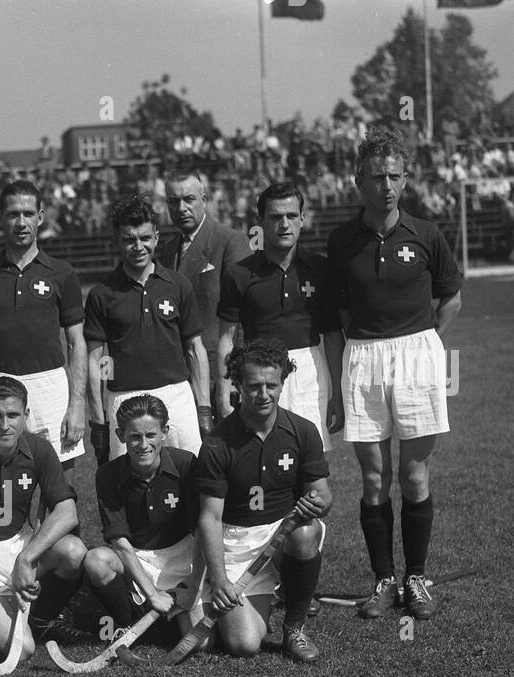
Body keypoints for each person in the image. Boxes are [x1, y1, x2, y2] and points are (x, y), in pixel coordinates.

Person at [327, 125, 463, 620]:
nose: (385, 185)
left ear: (405, 180)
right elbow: (338, 315)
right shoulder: (341, 241)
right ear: (358, 180)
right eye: (376, 176)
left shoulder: (426, 233)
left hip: (417, 355)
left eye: (394, 176)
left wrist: (427, 343)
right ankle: (384, 580)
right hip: (364, 357)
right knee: (373, 476)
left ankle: (417, 579)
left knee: (413, 472)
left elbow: (451, 297)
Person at [194, 339, 331, 663]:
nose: (264, 394)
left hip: (283, 534)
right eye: (254, 386)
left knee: (306, 533)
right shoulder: (216, 444)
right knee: (244, 645)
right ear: (238, 384)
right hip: (236, 543)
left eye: (272, 385)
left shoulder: (303, 431)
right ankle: (257, 598)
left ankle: (294, 627)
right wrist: (220, 577)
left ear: (283, 383)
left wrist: (318, 503)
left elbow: (323, 493)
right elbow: (210, 518)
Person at [0, 377, 88, 661]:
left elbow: (67, 511)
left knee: (74, 551)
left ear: (25, 416)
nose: (4, 425)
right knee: (22, 650)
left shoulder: (38, 448)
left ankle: (42, 619)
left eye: (13, 415)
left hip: (18, 546)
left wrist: (26, 557)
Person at [0, 180, 87, 470]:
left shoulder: (62, 273)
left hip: (51, 385)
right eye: (13, 214)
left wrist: (77, 405)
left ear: (41, 217)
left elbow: (76, 342)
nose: (21, 222)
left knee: (59, 482)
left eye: (29, 213)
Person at [83, 192, 210, 465]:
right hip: (124, 398)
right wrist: (98, 421)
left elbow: (195, 349)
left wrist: (203, 409)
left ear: (156, 237)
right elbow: (95, 361)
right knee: (131, 489)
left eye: (144, 238)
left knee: (192, 477)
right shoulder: (101, 294)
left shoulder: (178, 285)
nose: (138, 246)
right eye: (129, 239)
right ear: (116, 241)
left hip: (177, 395)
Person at [218, 180, 345, 452]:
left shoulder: (321, 269)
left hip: (310, 373)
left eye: (290, 216)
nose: (284, 224)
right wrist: (226, 388)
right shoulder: (239, 274)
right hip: (259, 375)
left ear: (303, 218)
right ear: (260, 221)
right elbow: (227, 338)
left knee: (313, 460)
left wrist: (338, 392)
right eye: (275, 217)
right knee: (262, 456)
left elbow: (333, 335)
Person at [84, 395, 202, 643]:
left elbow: (202, 530)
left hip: (183, 559)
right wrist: (152, 593)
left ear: (165, 432)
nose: (143, 444)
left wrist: (193, 584)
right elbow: (119, 542)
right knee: (97, 560)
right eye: (135, 437)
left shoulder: (186, 463)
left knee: (200, 643)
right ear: (120, 435)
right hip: (137, 559)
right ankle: (127, 619)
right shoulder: (107, 474)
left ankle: (161, 620)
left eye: (151, 435)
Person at [157, 172, 252, 421]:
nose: (181, 208)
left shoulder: (231, 241)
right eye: (173, 201)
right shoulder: (166, 250)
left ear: (204, 199)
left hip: (218, 371)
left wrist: (232, 377)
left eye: (189, 199)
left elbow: (241, 318)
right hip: (177, 373)